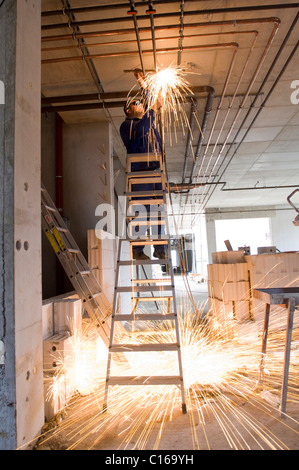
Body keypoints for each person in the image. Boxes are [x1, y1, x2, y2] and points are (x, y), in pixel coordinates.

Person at [120, 72, 167, 261]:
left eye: (140, 103)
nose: (139, 105)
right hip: (140, 175)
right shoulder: (128, 126)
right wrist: (153, 108)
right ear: (128, 110)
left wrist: (145, 85)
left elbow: (150, 107)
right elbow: (143, 125)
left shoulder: (149, 125)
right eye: (135, 104)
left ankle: (159, 247)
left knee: (158, 210)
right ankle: (138, 250)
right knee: (140, 211)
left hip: (156, 174)